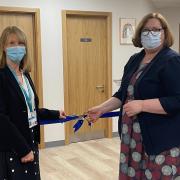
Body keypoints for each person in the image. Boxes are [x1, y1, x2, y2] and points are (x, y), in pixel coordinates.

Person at [87, 12, 180, 179]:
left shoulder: (171, 60)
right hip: (131, 138)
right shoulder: (134, 60)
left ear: (164, 33)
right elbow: (123, 93)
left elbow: (177, 100)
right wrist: (101, 109)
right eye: (146, 30)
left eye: (155, 30)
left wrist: (142, 105)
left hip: (159, 142)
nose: (150, 34)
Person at [0, 26, 66, 180]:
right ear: (3, 47)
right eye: (12, 43)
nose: (17, 47)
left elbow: (30, 110)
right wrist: (23, 149)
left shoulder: (25, 75)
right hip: (13, 147)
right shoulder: (2, 77)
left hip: (30, 141)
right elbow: (1, 119)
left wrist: (55, 114)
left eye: (21, 43)